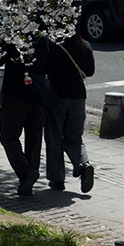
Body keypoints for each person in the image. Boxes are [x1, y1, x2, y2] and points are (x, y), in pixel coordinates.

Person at [0, 35, 50, 196]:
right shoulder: (43, 35)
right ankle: (30, 174)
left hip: (15, 94)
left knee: (8, 136)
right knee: (34, 136)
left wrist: (1, 42)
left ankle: (26, 173)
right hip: (37, 92)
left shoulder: (13, 34)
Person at [44, 33, 96, 193]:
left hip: (57, 96)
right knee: (74, 137)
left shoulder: (54, 46)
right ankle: (83, 164)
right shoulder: (84, 45)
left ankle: (57, 179)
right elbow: (90, 71)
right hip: (78, 95)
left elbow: (48, 70)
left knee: (54, 138)